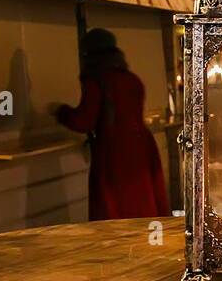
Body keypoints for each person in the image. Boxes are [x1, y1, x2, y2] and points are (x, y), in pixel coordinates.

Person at [55, 27, 169, 220]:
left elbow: (84, 120)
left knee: (116, 207)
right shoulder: (132, 79)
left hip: (114, 151)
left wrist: (61, 112)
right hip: (142, 145)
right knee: (142, 201)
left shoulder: (97, 80)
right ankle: (149, 242)